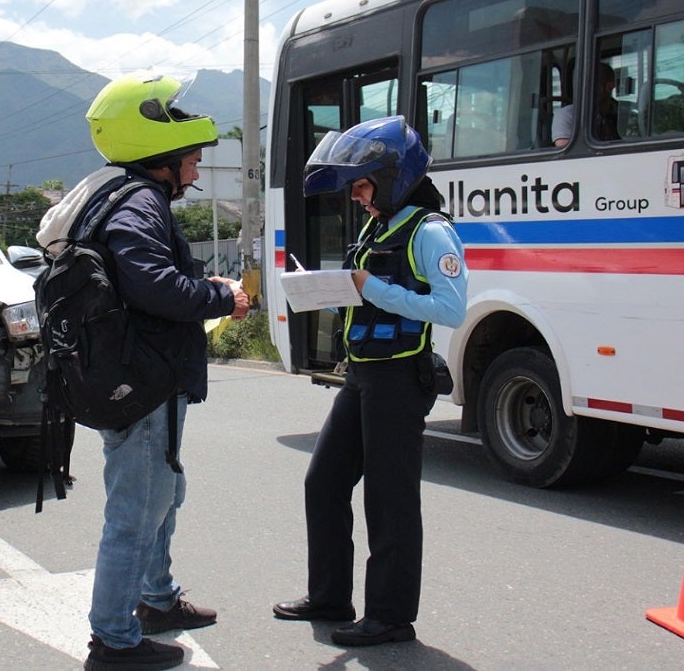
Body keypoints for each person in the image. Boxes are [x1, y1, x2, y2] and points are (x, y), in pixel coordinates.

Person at [35, 71, 251, 671]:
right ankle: (113, 639)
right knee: (136, 511)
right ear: (158, 149)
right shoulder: (138, 202)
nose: (197, 169)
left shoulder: (119, 195)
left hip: (133, 376)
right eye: (192, 157)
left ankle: (155, 600)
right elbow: (153, 284)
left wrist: (202, 288)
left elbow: (143, 281)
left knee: (164, 494)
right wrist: (219, 298)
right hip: (143, 383)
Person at [272, 115, 468, 647]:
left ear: (392, 177)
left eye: (362, 185)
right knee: (325, 481)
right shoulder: (377, 226)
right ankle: (332, 597)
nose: (357, 196)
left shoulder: (431, 231)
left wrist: (370, 287)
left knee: (390, 498)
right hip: (362, 373)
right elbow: (368, 290)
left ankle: (390, 617)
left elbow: (450, 310)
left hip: (400, 377)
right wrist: (326, 287)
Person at [551, 63, 619, 147]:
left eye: (593, 84)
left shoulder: (623, 112)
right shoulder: (567, 115)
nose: (586, 89)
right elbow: (566, 150)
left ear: (609, 86)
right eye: (582, 83)